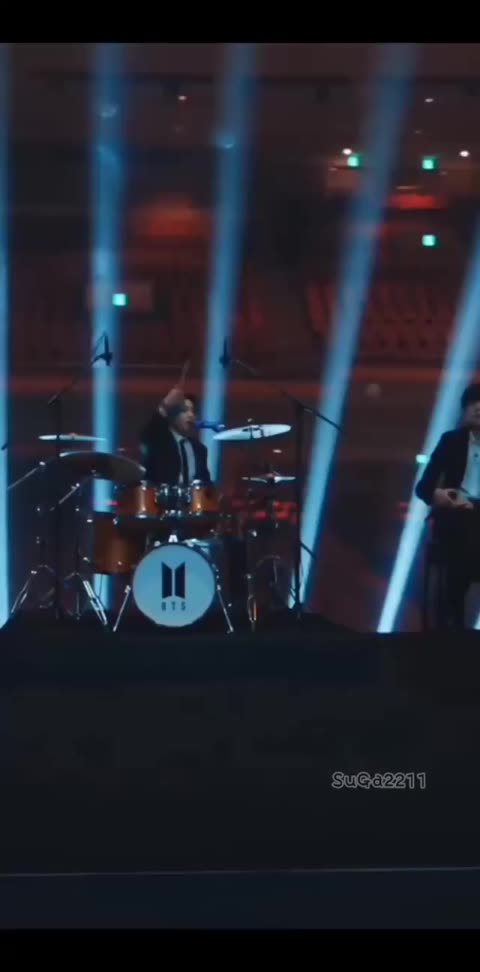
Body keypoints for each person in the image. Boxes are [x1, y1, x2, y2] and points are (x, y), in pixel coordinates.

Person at [416, 382, 480, 628]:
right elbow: (424, 488)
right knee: (464, 527)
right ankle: (452, 623)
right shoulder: (451, 441)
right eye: (472, 403)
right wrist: (443, 496)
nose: (478, 408)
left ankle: (453, 614)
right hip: (457, 515)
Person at [140, 379, 211, 487]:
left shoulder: (200, 449)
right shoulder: (158, 443)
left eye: (192, 411)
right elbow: (149, 431)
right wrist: (166, 404)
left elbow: (206, 483)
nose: (191, 415)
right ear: (173, 415)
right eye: (185, 410)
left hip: (192, 497)